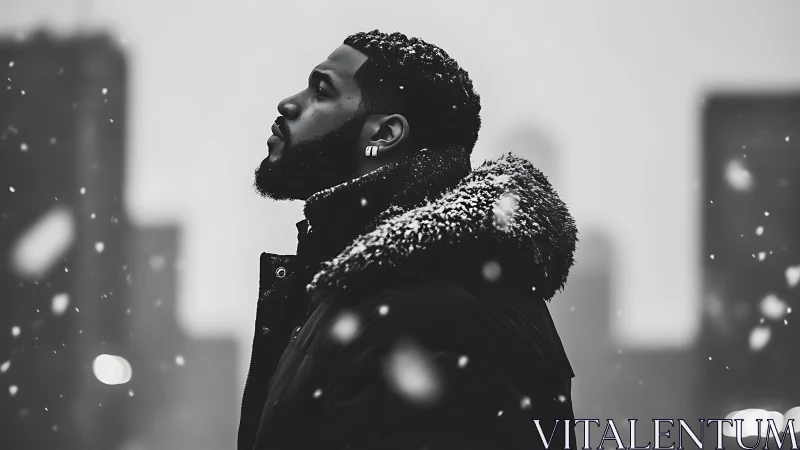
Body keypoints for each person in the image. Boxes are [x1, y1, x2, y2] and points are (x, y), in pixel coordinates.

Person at [239, 29, 579, 450]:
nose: (288, 104)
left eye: (321, 91)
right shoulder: (380, 284)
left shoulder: (430, 303)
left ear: (384, 135)